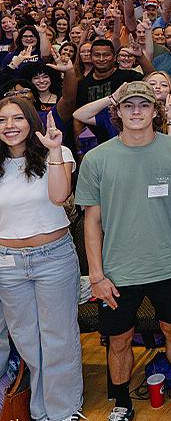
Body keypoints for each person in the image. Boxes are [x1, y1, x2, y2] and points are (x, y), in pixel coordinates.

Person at [75, 81, 171, 421]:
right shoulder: (97, 158)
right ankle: (121, 402)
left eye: (144, 105)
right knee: (119, 339)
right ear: (117, 112)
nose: (137, 111)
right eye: (129, 106)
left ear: (156, 111)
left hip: (166, 265)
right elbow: (91, 222)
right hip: (117, 272)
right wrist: (96, 275)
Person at [0, 97, 83, 421]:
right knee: (27, 342)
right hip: (7, 263)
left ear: (30, 121)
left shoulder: (56, 153)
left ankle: (63, 413)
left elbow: (59, 197)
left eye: (17, 118)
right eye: (2, 120)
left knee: (58, 339)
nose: (9, 126)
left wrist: (53, 152)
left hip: (53, 259)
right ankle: (40, 410)